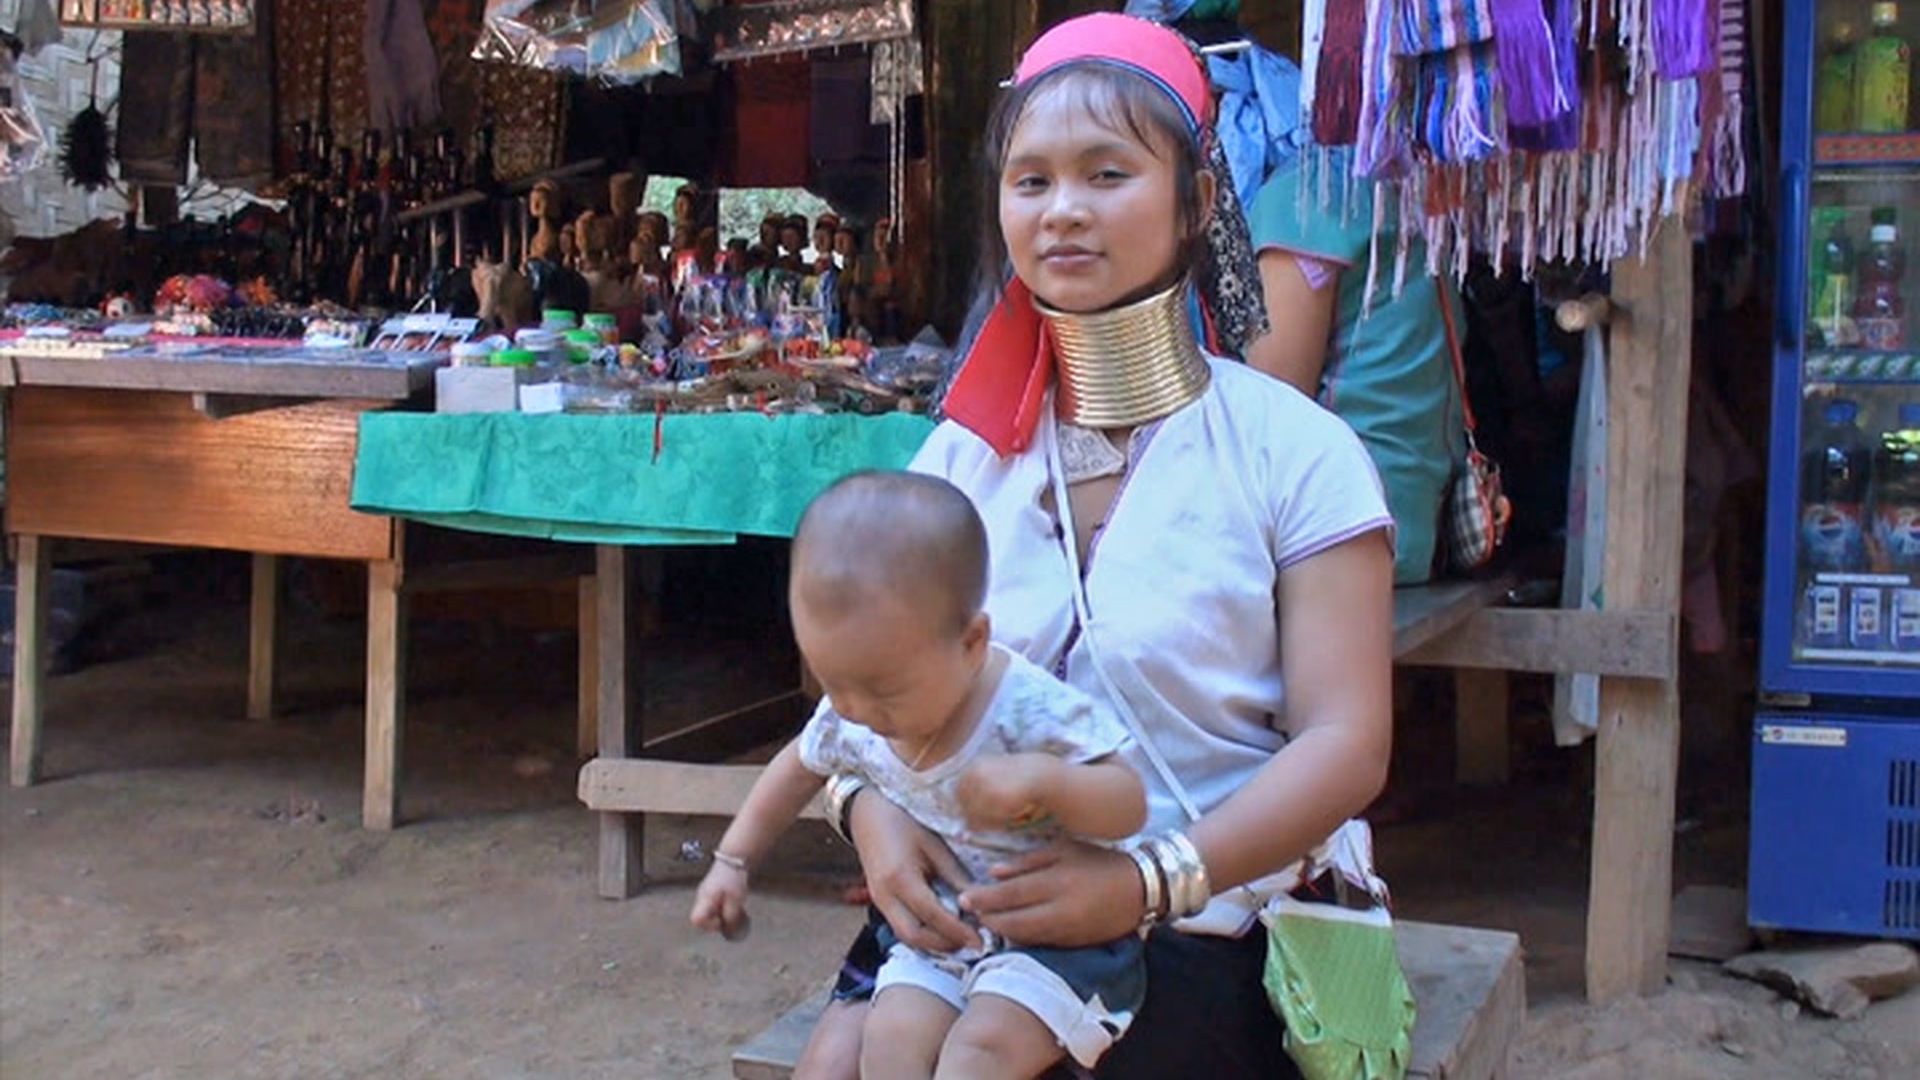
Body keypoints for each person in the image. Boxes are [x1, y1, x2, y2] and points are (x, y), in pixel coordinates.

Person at [793, 13, 1395, 1080]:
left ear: (1196, 201)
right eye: (1031, 181)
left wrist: (1144, 883)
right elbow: (860, 686)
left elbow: (1346, 743)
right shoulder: (962, 457)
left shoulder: (1297, 452)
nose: (1063, 209)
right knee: (845, 1059)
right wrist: (872, 814)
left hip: (1217, 914)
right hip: (987, 910)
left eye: (1107, 173)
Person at [692, 471, 1150, 1079]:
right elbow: (796, 768)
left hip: (1058, 935)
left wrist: (1047, 783)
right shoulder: (854, 708)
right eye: (832, 682)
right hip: (944, 929)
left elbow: (1129, 802)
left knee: (978, 1053)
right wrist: (733, 861)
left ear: (973, 642)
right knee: (890, 1039)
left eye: (885, 691)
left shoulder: (1026, 709)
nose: (855, 710)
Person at [1245, 155, 1462, 585]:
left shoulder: (1308, 193)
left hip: (1336, 534)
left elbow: (1271, 413)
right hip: (1412, 526)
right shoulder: (1411, 186)